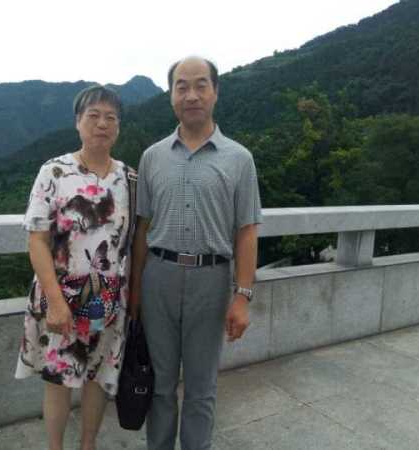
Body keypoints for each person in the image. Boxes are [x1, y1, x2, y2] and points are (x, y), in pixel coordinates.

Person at [130, 56, 262, 450]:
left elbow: (247, 231)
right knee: (160, 384)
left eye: (201, 85)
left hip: (212, 278)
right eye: (182, 86)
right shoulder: (153, 157)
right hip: (159, 277)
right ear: (171, 95)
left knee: (202, 387)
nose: (191, 95)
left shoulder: (239, 159)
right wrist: (135, 291)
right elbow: (142, 229)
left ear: (215, 91)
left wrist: (242, 295)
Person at [15, 85, 135, 450]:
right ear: (78, 122)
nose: (102, 124)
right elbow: (37, 240)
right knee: (58, 380)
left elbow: (133, 241)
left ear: (118, 126)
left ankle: (88, 445)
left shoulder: (129, 179)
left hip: (109, 296)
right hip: (61, 293)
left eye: (111, 117)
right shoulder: (54, 171)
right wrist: (55, 301)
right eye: (93, 116)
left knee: (100, 377)